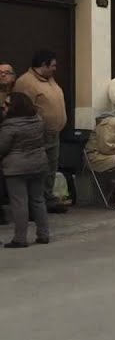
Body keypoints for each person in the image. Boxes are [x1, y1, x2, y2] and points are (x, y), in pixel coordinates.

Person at [13, 50, 67, 213]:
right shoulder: (26, 82)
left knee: (51, 168)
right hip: (37, 135)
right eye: (53, 66)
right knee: (37, 170)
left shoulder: (50, 80)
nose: (55, 69)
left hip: (54, 133)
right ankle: (34, 203)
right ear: (43, 65)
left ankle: (48, 198)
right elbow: (22, 108)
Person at [0, 92, 51, 247]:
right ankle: (43, 234)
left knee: (19, 203)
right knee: (38, 200)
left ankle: (20, 238)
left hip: (16, 168)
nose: (3, 106)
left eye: (7, 104)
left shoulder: (9, 127)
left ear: (14, 107)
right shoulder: (38, 121)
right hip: (39, 164)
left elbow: (2, 148)